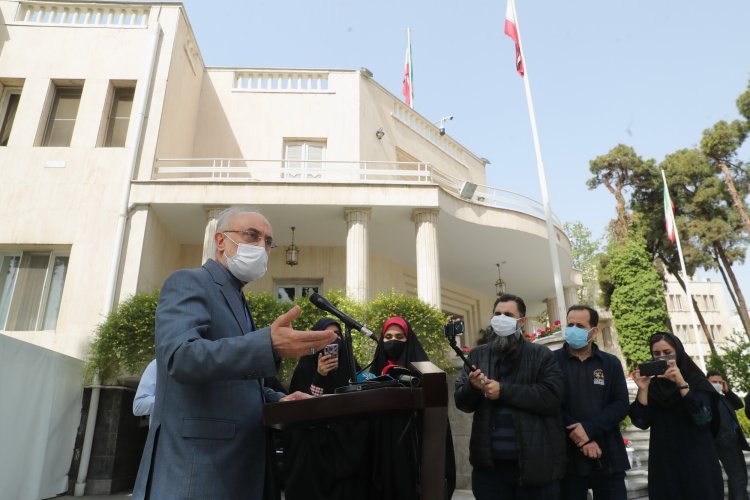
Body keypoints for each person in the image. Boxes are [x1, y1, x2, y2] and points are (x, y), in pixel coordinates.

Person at [132, 207, 337, 500]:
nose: (261, 247)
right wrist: (267, 344)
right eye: (252, 235)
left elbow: (236, 382)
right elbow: (180, 356)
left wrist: (279, 400)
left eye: (268, 242)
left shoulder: (238, 298)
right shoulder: (189, 281)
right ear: (220, 241)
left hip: (239, 464)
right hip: (198, 468)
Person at [455, 293, 566, 500]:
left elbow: (551, 397)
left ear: (522, 322)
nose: (501, 319)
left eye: (508, 315)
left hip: (534, 467)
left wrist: (504, 391)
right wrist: (472, 387)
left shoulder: (541, 355)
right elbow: (462, 402)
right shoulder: (478, 355)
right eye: (497, 314)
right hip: (489, 469)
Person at [369, 316, 456, 500]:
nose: (393, 341)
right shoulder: (372, 373)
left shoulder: (424, 371)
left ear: (408, 340)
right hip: (382, 451)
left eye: (399, 337)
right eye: (388, 337)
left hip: (414, 450)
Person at [282, 317, 369, 500]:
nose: (333, 338)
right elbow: (303, 408)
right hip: (313, 453)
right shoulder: (306, 366)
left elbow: (361, 400)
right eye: (326, 334)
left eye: (337, 334)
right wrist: (320, 375)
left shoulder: (351, 365)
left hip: (346, 448)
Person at [628, 332, 723, 500]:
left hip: (697, 460)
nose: (662, 358)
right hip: (664, 462)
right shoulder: (654, 386)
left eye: (667, 352)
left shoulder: (696, 381)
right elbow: (641, 422)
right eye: (656, 354)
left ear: (678, 352)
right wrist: (643, 389)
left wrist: (681, 383)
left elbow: (702, 417)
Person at [554, 305, 629, 500]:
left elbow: (621, 404)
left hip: (608, 455)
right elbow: (550, 404)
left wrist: (589, 430)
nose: (573, 330)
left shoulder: (610, 363)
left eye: (580, 326)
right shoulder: (551, 361)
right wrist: (582, 439)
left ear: (594, 331)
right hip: (568, 459)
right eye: (570, 325)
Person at [706, 370, 750, 500]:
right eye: (714, 382)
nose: (718, 384)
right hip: (723, 440)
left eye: (720, 382)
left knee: (738, 474)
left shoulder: (723, 397)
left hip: (733, 439)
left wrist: (727, 391)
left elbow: (739, 404)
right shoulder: (706, 398)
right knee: (738, 476)